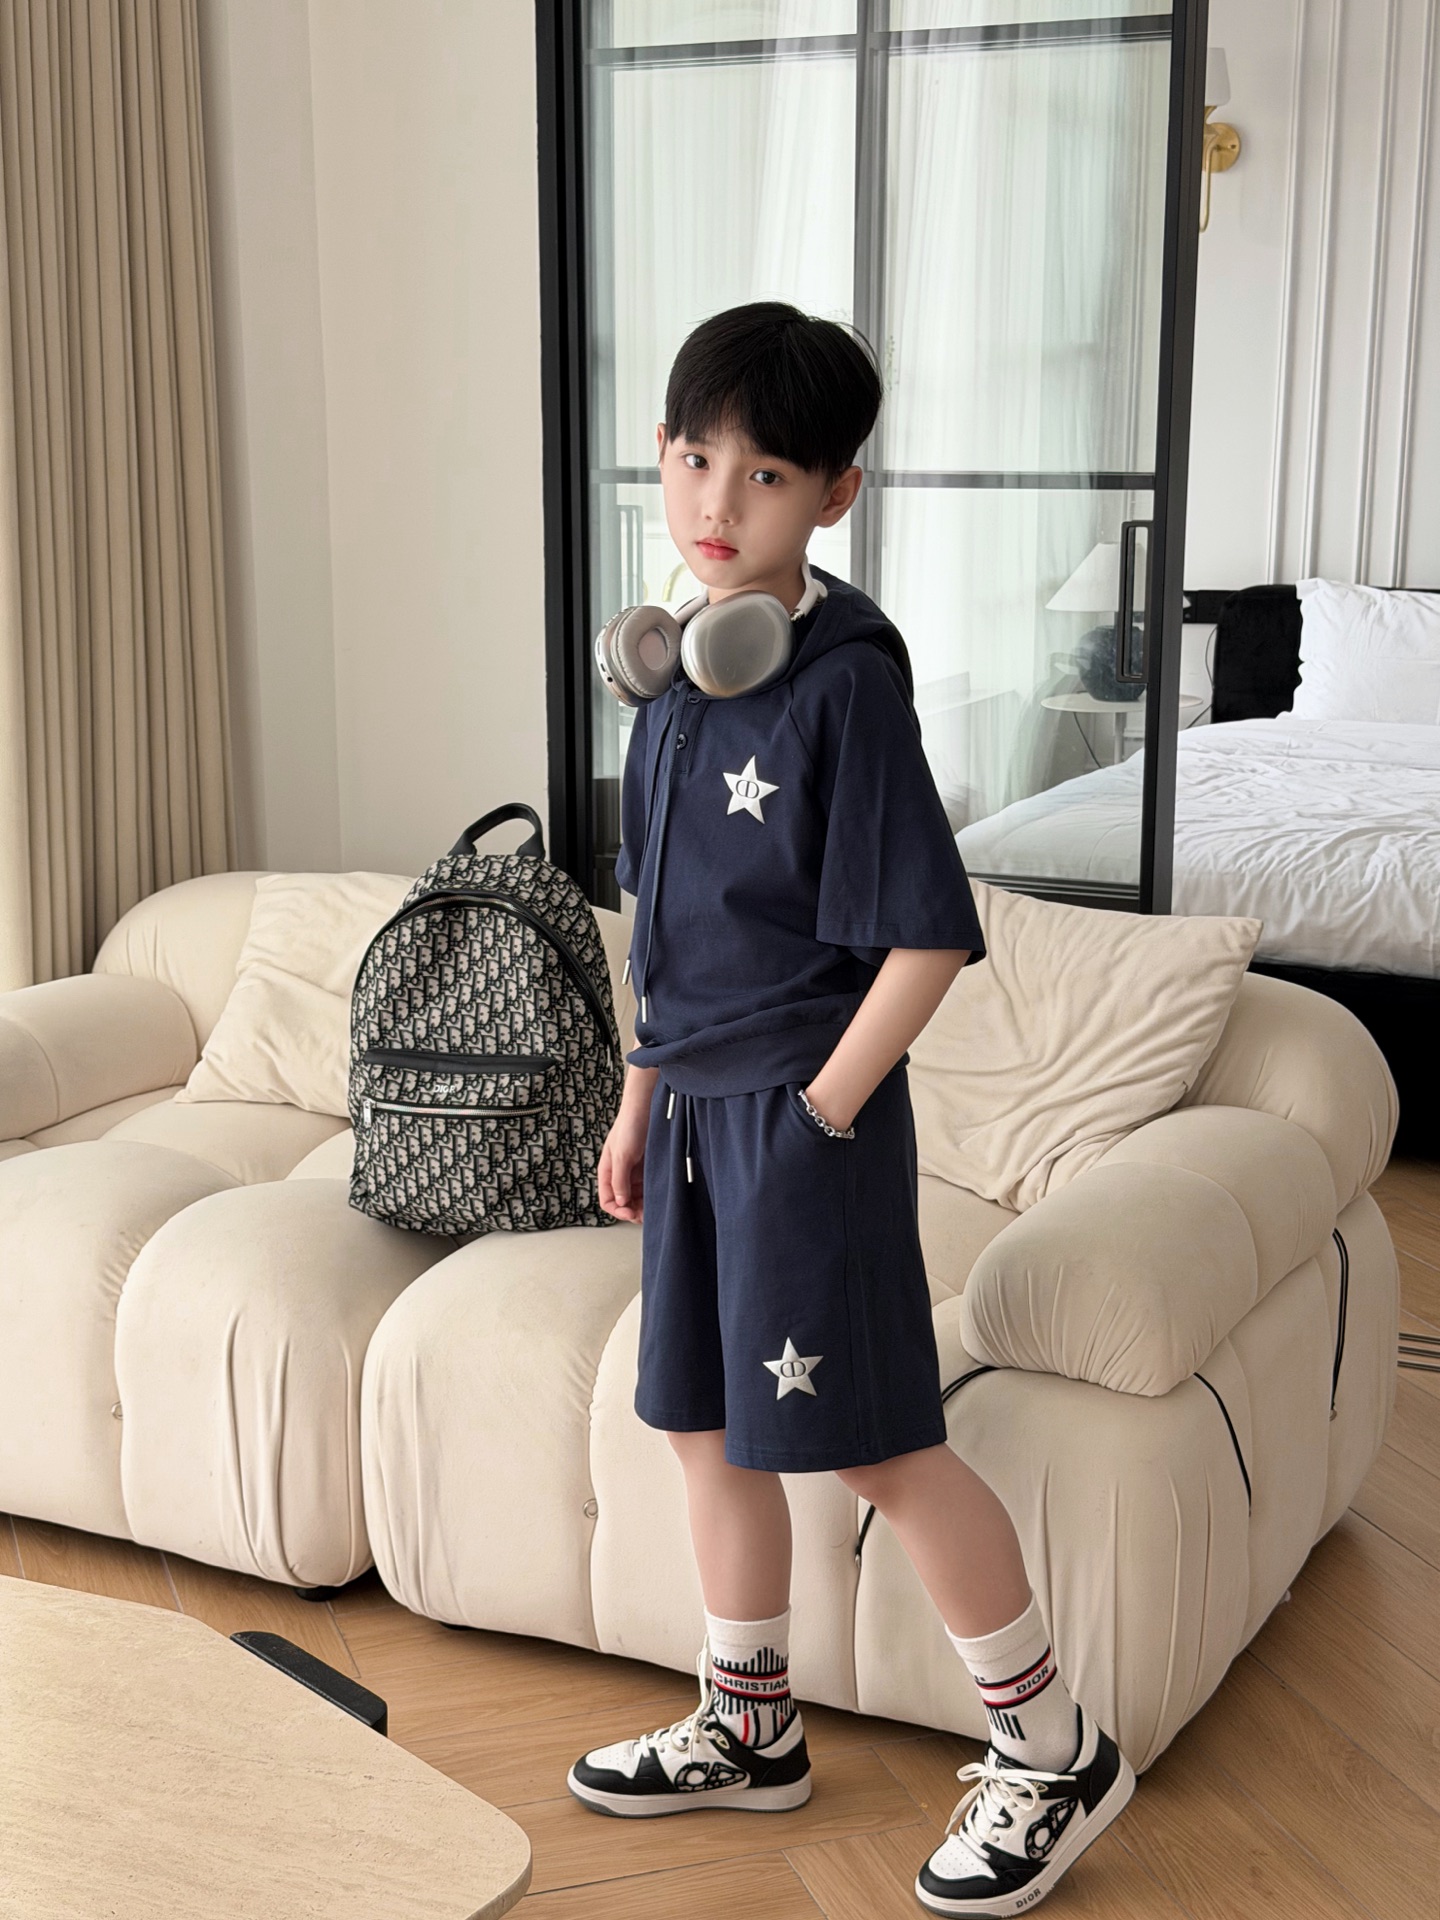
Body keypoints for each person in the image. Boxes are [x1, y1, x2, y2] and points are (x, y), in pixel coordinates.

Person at [567, 302, 1134, 1916]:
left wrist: (820, 1114)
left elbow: (926, 937)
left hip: (800, 1125)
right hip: (692, 1120)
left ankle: (1053, 1750)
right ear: (661, 458)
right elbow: (665, 937)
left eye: (763, 474)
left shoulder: (843, 692)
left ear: (835, 493)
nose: (717, 501)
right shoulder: (673, 685)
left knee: (878, 1448)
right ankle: (750, 1725)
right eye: (695, 460)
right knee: (700, 1428)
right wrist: (637, 1106)